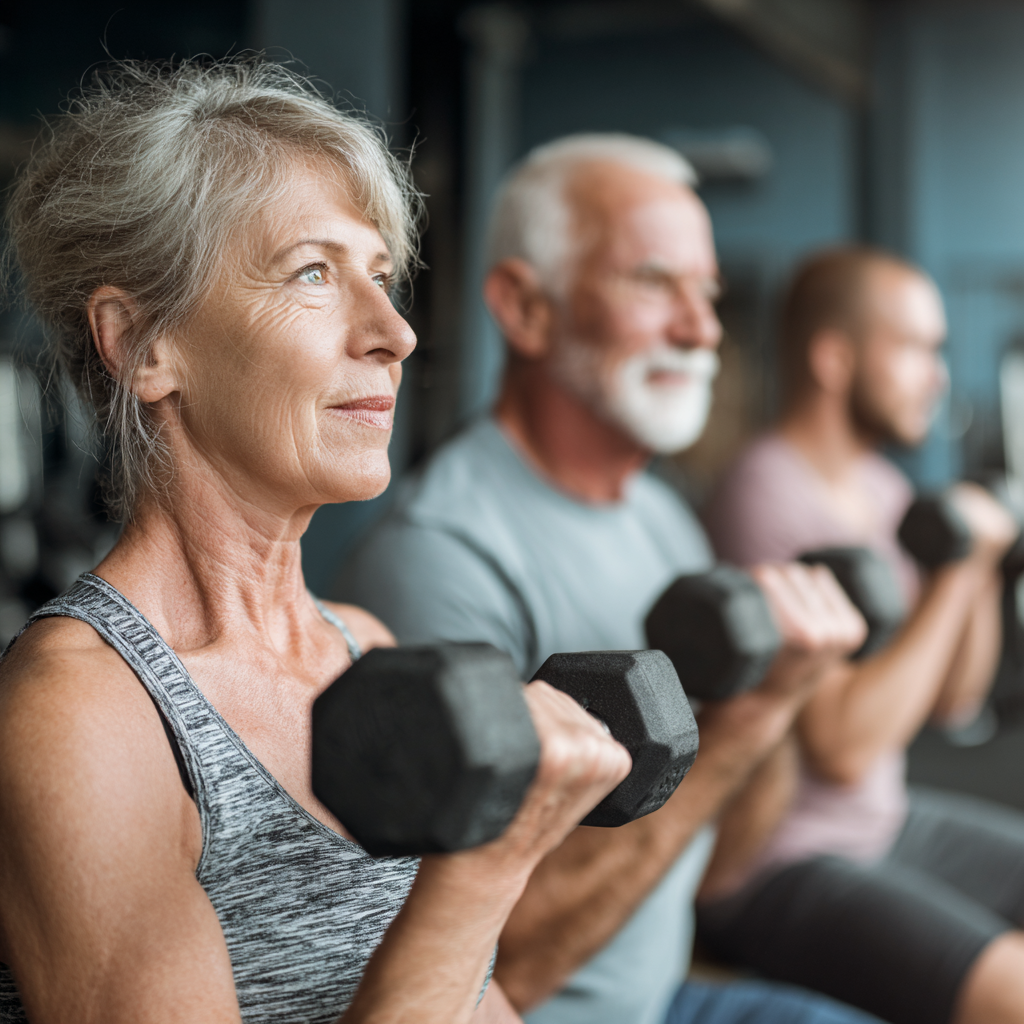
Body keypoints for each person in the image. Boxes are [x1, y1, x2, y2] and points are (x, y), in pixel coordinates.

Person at [0, 61, 634, 1024]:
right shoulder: (82, 712)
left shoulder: (367, 652)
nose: (395, 333)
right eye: (312, 273)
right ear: (142, 344)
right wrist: (482, 872)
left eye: (381, 278)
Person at [339, 134, 880, 1024]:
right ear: (524, 307)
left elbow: (729, 862)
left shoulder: (664, 518)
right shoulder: (440, 558)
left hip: (665, 996)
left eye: (705, 293)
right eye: (654, 282)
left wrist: (779, 702)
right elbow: (496, 964)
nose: (701, 329)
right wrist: (736, 728)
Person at [698, 245, 1024, 1024]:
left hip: (885, 821)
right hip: (780, 858)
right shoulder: (764, 492)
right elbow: (840, 745)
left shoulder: (884, 489)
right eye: (915, 349)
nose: (938, 375)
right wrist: (951, 576)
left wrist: (975, 567)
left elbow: (954, 697)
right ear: (835, 358)